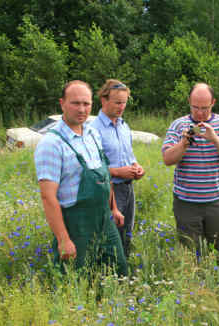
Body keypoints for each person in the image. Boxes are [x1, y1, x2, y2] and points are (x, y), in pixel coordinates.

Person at [34, 80, 127, 276]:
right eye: (75, 103)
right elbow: (48, 197)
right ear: (62, 103)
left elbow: (103, 174)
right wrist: (63, 239)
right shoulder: (52, 143)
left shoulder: (92, 133)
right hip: (77, 226)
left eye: (86, 103)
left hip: (104, 220)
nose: (82, 109)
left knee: (118, 272)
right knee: (78, 281)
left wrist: (114, 208)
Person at [162, 83, 219, 257]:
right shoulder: (178, 125)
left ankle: (218, 282)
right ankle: (194, 284)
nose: (199, 112)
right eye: (195, 107)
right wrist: (183, 144)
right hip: (186, 203)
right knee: (190, 255)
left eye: (205, 108)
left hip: (216, 201)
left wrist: (214, 138)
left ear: (213, 102)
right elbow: (167, 159)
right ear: (189, 101)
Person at [91, 79, 145, 258]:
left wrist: (137, 168)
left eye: (124, 102)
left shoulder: (123, 126)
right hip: (108, 190)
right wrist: (117, 172)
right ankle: (107, 273)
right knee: (109, 235)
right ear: (104, 101)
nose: (121, 107)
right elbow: (91, 169)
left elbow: (129, 157)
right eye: (117, 102)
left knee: (126, 233)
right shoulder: (93, 129)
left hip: (128, 188)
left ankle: (124, 271)